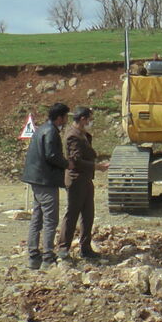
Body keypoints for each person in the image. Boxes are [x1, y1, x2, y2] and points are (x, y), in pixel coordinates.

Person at [56, 106, 109, 259]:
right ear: (83, 119)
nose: (91, 122)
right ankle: (63, 248)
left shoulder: (83, 134)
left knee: (88, 214)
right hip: (76, 179)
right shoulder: (73, 135)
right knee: (72, 214)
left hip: (85, 178)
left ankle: (85, 248)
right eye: (90, 119)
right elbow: (76, 160)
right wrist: (97, 167)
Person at [21, 102, 69, 269]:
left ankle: (33, 256)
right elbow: (52, 155)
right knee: (50, 219)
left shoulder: (41, 129)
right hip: (46, 180)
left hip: (36, 179)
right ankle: (48, 257)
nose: (66, 120)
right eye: (65, 117)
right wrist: (67, 164)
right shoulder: (51, 132)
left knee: (37, 218)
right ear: (60, 117)